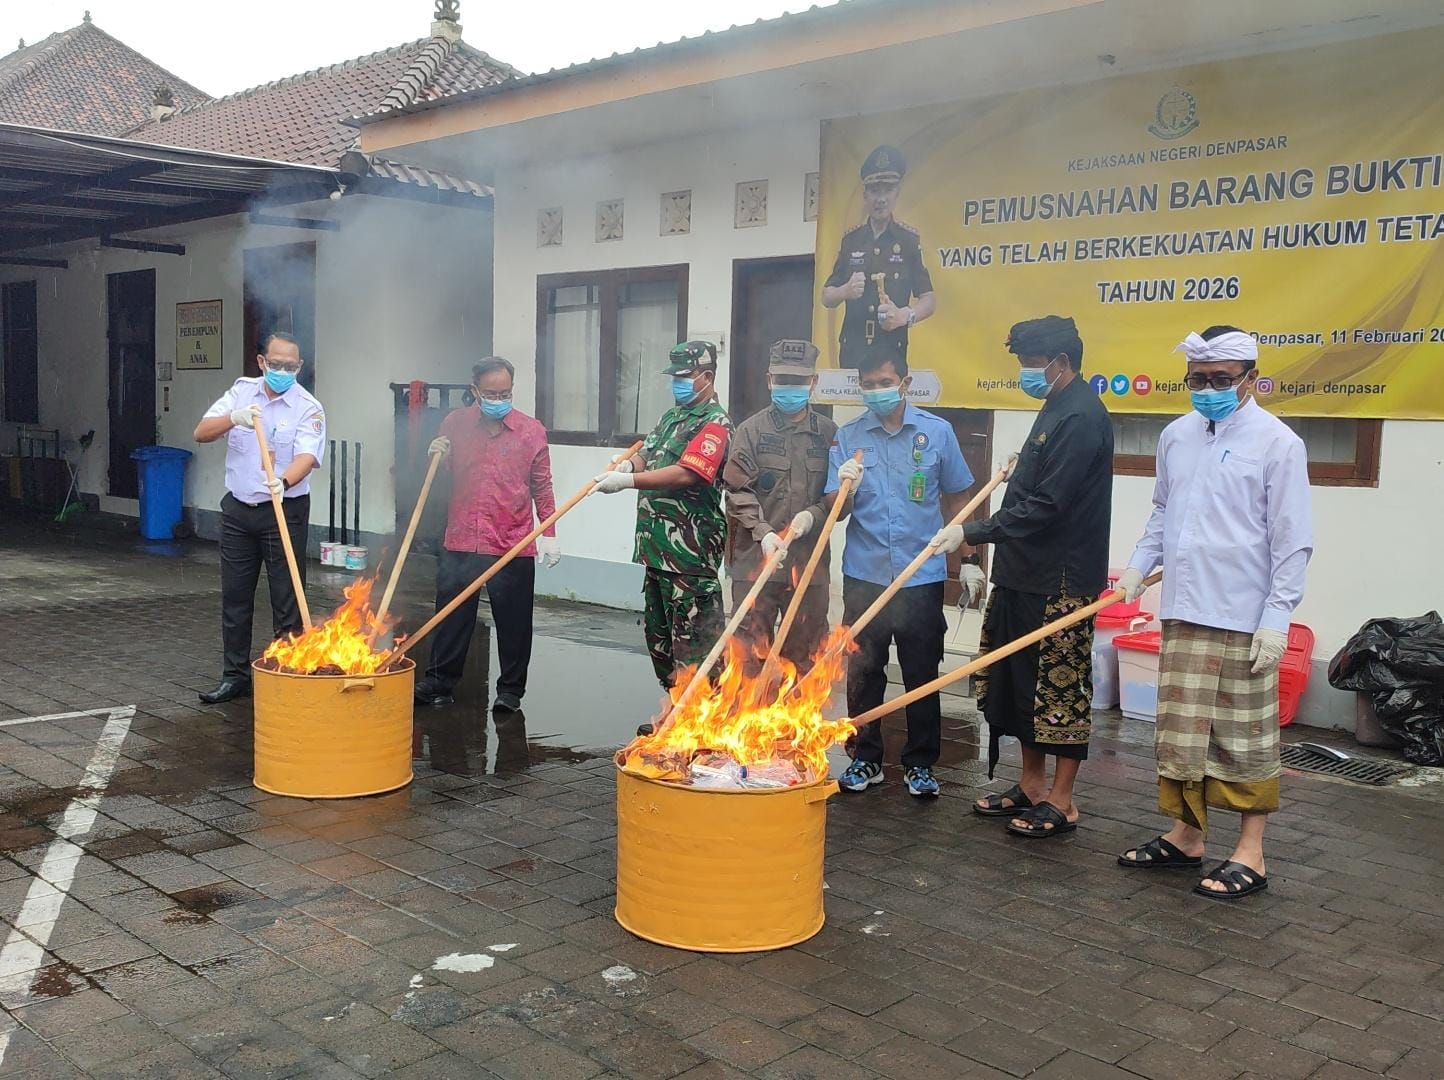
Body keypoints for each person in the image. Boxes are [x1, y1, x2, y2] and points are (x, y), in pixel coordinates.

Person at [1116, 325, 1312, 900]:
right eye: (1198, 380)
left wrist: (1278, 616)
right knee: (1181, 731)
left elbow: (1292, 539)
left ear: (1249, 379)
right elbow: (1161, 511)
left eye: (1221, 380)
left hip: (1244, 615)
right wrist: (1135, 566)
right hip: (1182, 608)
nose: (1208, 390)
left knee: (1241, 736)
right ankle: (1186, 836)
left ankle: (1252, 852)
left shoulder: (1278, 443)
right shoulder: (1177, 435)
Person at [934, 316, 1114, 837]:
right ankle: (1031, 785)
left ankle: (1062, 799)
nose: (1026, 374)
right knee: (1017, 685)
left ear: (1060, 363)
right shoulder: (1054, 407)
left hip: (1060, 580)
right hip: (1022, 573)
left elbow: (1048, 504)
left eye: (1031, 365)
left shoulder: (1081, 416)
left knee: (1056, 690)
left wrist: (974, 532)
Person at [831, 345, 973, 797]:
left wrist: (968, 559)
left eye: (885, 383)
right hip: (865, 573)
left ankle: (920, 762)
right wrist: (846, 486)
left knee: (921, 670)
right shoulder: (848, 437)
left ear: (905, 383)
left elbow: (958, 498)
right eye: (868, 385)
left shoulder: (937, 433)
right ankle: (865, 757)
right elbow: (835, 511)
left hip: (922, 575)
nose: (877, 392)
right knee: (864, 668)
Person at [414, 357, 560, 711]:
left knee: (513, 621)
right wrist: (435, 453)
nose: (499, 398)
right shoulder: (455, 423)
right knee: (451, 614)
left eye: (505, 392)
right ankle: (440, 681)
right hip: (463, 535)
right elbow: (442, 469)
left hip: (512, 540)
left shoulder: (531, 431)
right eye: (491, 392)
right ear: (475, 391)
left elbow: (542, 486)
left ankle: (511, 691)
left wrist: (549, 532)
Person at [193, 331, 325, 704]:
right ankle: (234, 676)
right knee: (235, 598)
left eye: (292, 366)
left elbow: (307, 457)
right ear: (262, 361)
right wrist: (234, 418)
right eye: (277, 364)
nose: (284, 371)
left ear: (299, 367)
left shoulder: (308, 406)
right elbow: (201, 432)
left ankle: (287, 675)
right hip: (238, 510)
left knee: (287, 599)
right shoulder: (241, 393)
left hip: (284, 508)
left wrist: (283, 480)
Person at [592, 341, 732, 690]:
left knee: (696, 646)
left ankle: (703, 730)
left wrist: (628, 480)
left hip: (689, 556)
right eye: (675, 377)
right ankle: (673, 719)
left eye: (685, 376)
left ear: (708, 376)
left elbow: (688, 473)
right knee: (662, 642)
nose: (678, 384)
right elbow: (649, 452)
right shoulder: (672, 417)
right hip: (656, 551)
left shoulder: (715, 424)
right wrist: (628, 463)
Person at [722, 339, 838, 673]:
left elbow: (835, 501)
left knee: (804, 655)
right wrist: (765, 532)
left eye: (799, 381)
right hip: (754, 561)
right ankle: (746, 725)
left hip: (808, 567)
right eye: (783, 379)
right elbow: (737, 492)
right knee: (746, 657)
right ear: (769, 379)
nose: (791, 387)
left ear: (813, 383)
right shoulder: (750, 431)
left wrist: (812, 516)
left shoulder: (829, 435)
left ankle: (794, 726)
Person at [820, 145, 936, 370]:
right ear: (865, 195)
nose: (880, 199)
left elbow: (929, 300)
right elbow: (826, 296)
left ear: (897, 193)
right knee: (853, 407)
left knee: (889, 404)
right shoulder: (851, 240)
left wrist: (905, 316)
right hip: (853, 349)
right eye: (874, 190)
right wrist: (844, 291)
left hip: (891, 349)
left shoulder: (908, 241)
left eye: (887, 190)